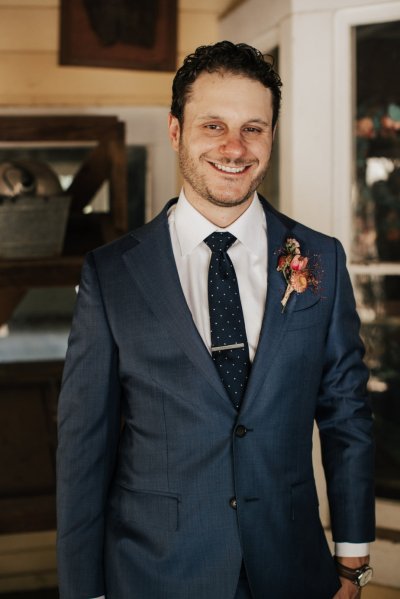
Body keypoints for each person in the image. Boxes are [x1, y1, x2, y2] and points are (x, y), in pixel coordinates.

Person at [56, 41, 375, 599]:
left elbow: (347, 414)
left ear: (272, 136)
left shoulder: (320, 260)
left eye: (254, 128)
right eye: (214, 125)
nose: (235, 147)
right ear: (176, 131)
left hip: (293, 568)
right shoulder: (111, 276)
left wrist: (352, 558)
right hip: (155, 573)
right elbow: (85, 446)